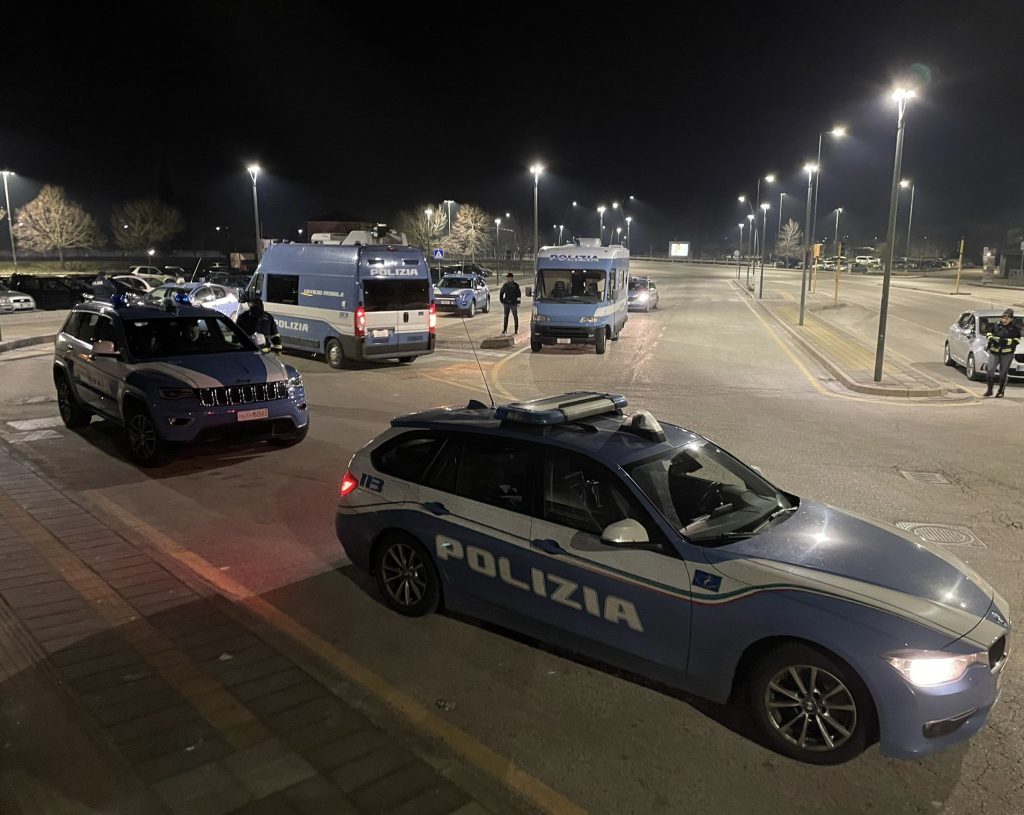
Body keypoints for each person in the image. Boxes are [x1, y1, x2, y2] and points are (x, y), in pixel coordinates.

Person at [984, 308, 1021, 398]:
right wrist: (991, 338)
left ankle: (1000, 391)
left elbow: (1017, 340)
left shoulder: (1015, 328)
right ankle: (989, 390)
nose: (1004, 320)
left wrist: (1006, 341)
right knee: (990, 370)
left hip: (1007, 353)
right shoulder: (996, 325)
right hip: (994, 351)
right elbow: (988, 332)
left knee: (1003, 373)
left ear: (1011, 319)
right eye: (1003, 318)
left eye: (1007, 318)